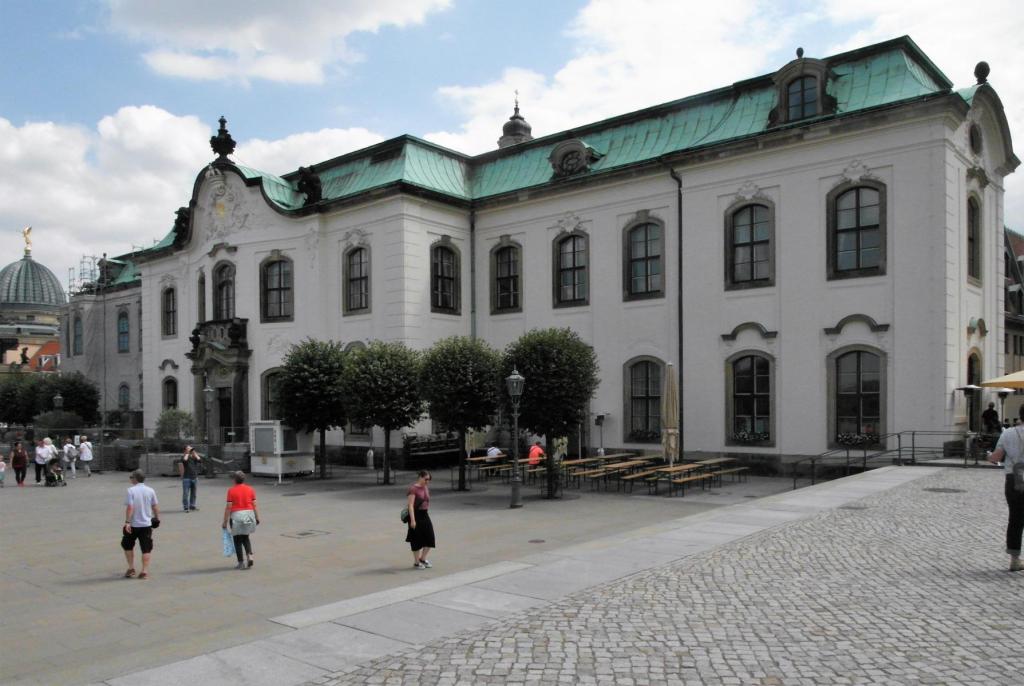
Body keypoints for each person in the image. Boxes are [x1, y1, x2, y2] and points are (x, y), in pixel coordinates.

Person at [988, 407, 1024, 571]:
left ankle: (1015, 560)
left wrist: (989, 456)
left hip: (1014, 477)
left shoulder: (1008, 433)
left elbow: (996, 457)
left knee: (1015, 519)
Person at [121, 470, 159, 579]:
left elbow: (130, 507)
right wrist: (157, 518)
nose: (130, 479)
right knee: (146, 548)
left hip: (133, 525)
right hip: (146, 525)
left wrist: (127, 522)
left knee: (127, 545)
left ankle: (131, 568)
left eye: (131, 477)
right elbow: (155, 506)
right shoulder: (150, 490)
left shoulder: (131, 491)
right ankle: (144, 571)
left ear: (135, 479)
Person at [222, 471, 260, 570]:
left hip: (236, 516)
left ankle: (241, 563)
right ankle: (250, 556)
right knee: (246, 537)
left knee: (237, 540)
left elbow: (228, 507)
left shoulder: (231, 490)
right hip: (248, 514)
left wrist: (225, 521)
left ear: (234, 480)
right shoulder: (250, 489)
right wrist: (257, 517)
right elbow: (254, 505)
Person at [406, 470, 435, 569]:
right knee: (416, 539)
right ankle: (416, 562)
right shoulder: (413, 489)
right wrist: (413, 520)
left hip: (424, 514)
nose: (427, 481)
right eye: (426, 479)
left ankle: (423, 558)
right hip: (415, 515)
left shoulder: (426, 488)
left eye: (429, 480)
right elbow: (410, 505)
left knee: (430, 537)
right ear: (420, 477)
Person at [179, 446, 202, 512]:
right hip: (186, 478)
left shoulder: (194, 457)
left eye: (191, 448)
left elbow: (200, 460)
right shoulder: (184, 457)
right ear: (185, 450)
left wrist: (194, 453)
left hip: (194, 478)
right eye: (189, 448)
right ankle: (186, 507)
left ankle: (192, 505)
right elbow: (184, 460)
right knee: (186, 494)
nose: (191, 450)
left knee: (194, 494)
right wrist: (187, 453)